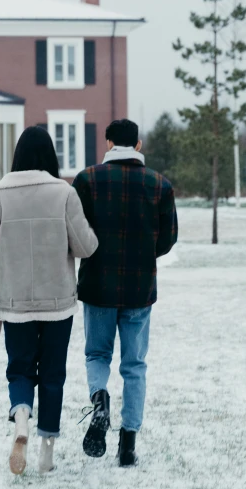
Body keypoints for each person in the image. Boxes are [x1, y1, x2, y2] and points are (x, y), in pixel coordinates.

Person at [0, 126, 98, 476]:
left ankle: (22, 419)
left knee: (20, 368)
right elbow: (85, 247)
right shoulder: (64, 193)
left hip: (15, 304)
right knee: (53, 373)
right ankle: (46, 451)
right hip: (59, 302)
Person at [73, 118, 178, 466]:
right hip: (139, 288)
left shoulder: (87, 180)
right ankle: (128, 444)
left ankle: (99, 400)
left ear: (107, 143)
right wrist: (144, 254)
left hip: (98, 285)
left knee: (97, 355)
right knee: (134, 366)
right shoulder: (159, 185)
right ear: (139, 144)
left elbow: (76, 233)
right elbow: (167, 239)